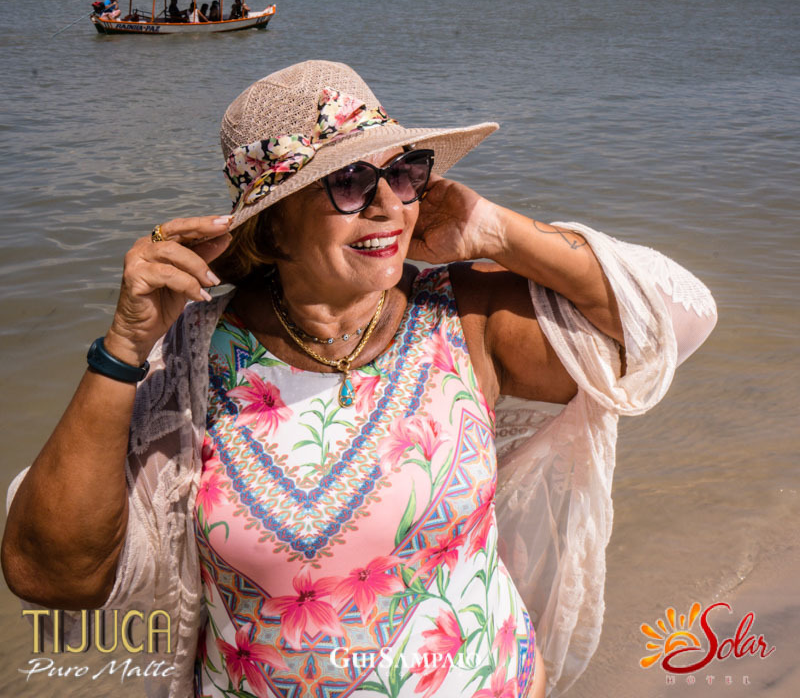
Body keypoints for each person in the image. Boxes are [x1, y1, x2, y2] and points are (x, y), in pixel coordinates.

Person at [2, 61, 716, 698]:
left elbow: (675, 326)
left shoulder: (461, 320)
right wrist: (124, 348)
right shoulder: (191, 358)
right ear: (273, 229)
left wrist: (499, 232)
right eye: (347, 180)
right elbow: (53, 577)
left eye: (404, 173)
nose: (388, 205)